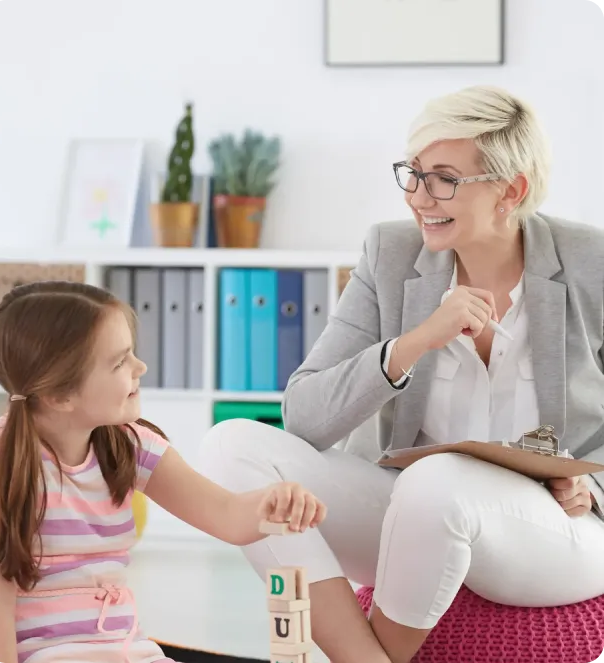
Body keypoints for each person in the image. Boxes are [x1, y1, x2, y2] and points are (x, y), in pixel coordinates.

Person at [197, 84, 604, 663]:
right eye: (410, 173)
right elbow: (304, 415)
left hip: (555, 533)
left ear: (509, 190)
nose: (418, 197)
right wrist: (412, 344)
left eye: (443, 178)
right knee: (230, 447)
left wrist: (591, 483)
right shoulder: (389, 253)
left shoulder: (592, 263)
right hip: (414, 517)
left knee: (435, 482)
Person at [0, 281, 326, 663]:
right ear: (59, 396)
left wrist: (272, 503)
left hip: (129, 649)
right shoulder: (1, 457)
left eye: (132, 354)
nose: (140, 367)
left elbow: (226, 514)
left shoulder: (130, 445)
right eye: (119, 362)